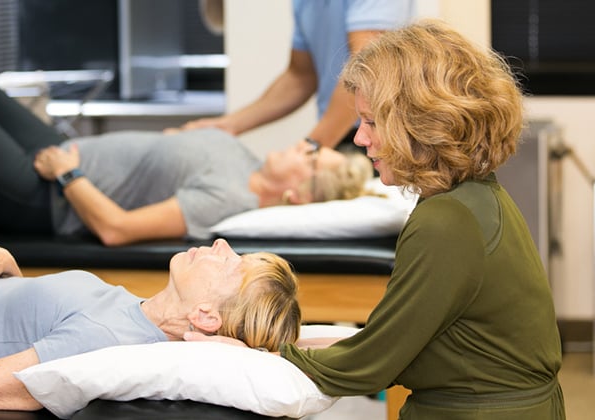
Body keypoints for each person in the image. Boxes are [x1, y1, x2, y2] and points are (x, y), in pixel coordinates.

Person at [188, 20, 566, 419]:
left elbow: (369, 365)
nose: (359, 139)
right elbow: (395, 344)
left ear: (420, 124)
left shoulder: (446, 221)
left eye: (371, 122)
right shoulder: (475, 196)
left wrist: (254, 358)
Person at [0, 61, 373, 247]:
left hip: (39, 195)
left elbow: (117, 229)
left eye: (311, 159)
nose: (302, 145)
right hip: (50, 156)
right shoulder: (243, 158)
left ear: (295, 195)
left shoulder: (228, 199)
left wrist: (69, 176)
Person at [0, 237, 301, 410]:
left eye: (233, 264)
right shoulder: (131, 313)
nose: (221, 246)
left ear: (206, 315)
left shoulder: (104, 342)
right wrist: (6, 265)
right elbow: (16, 327)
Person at [174, 0, 414, 150]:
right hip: (343, 138)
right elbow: (300, 76)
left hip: (381, 137)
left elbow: (367, 73)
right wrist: (228, 125)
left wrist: (310, 149)